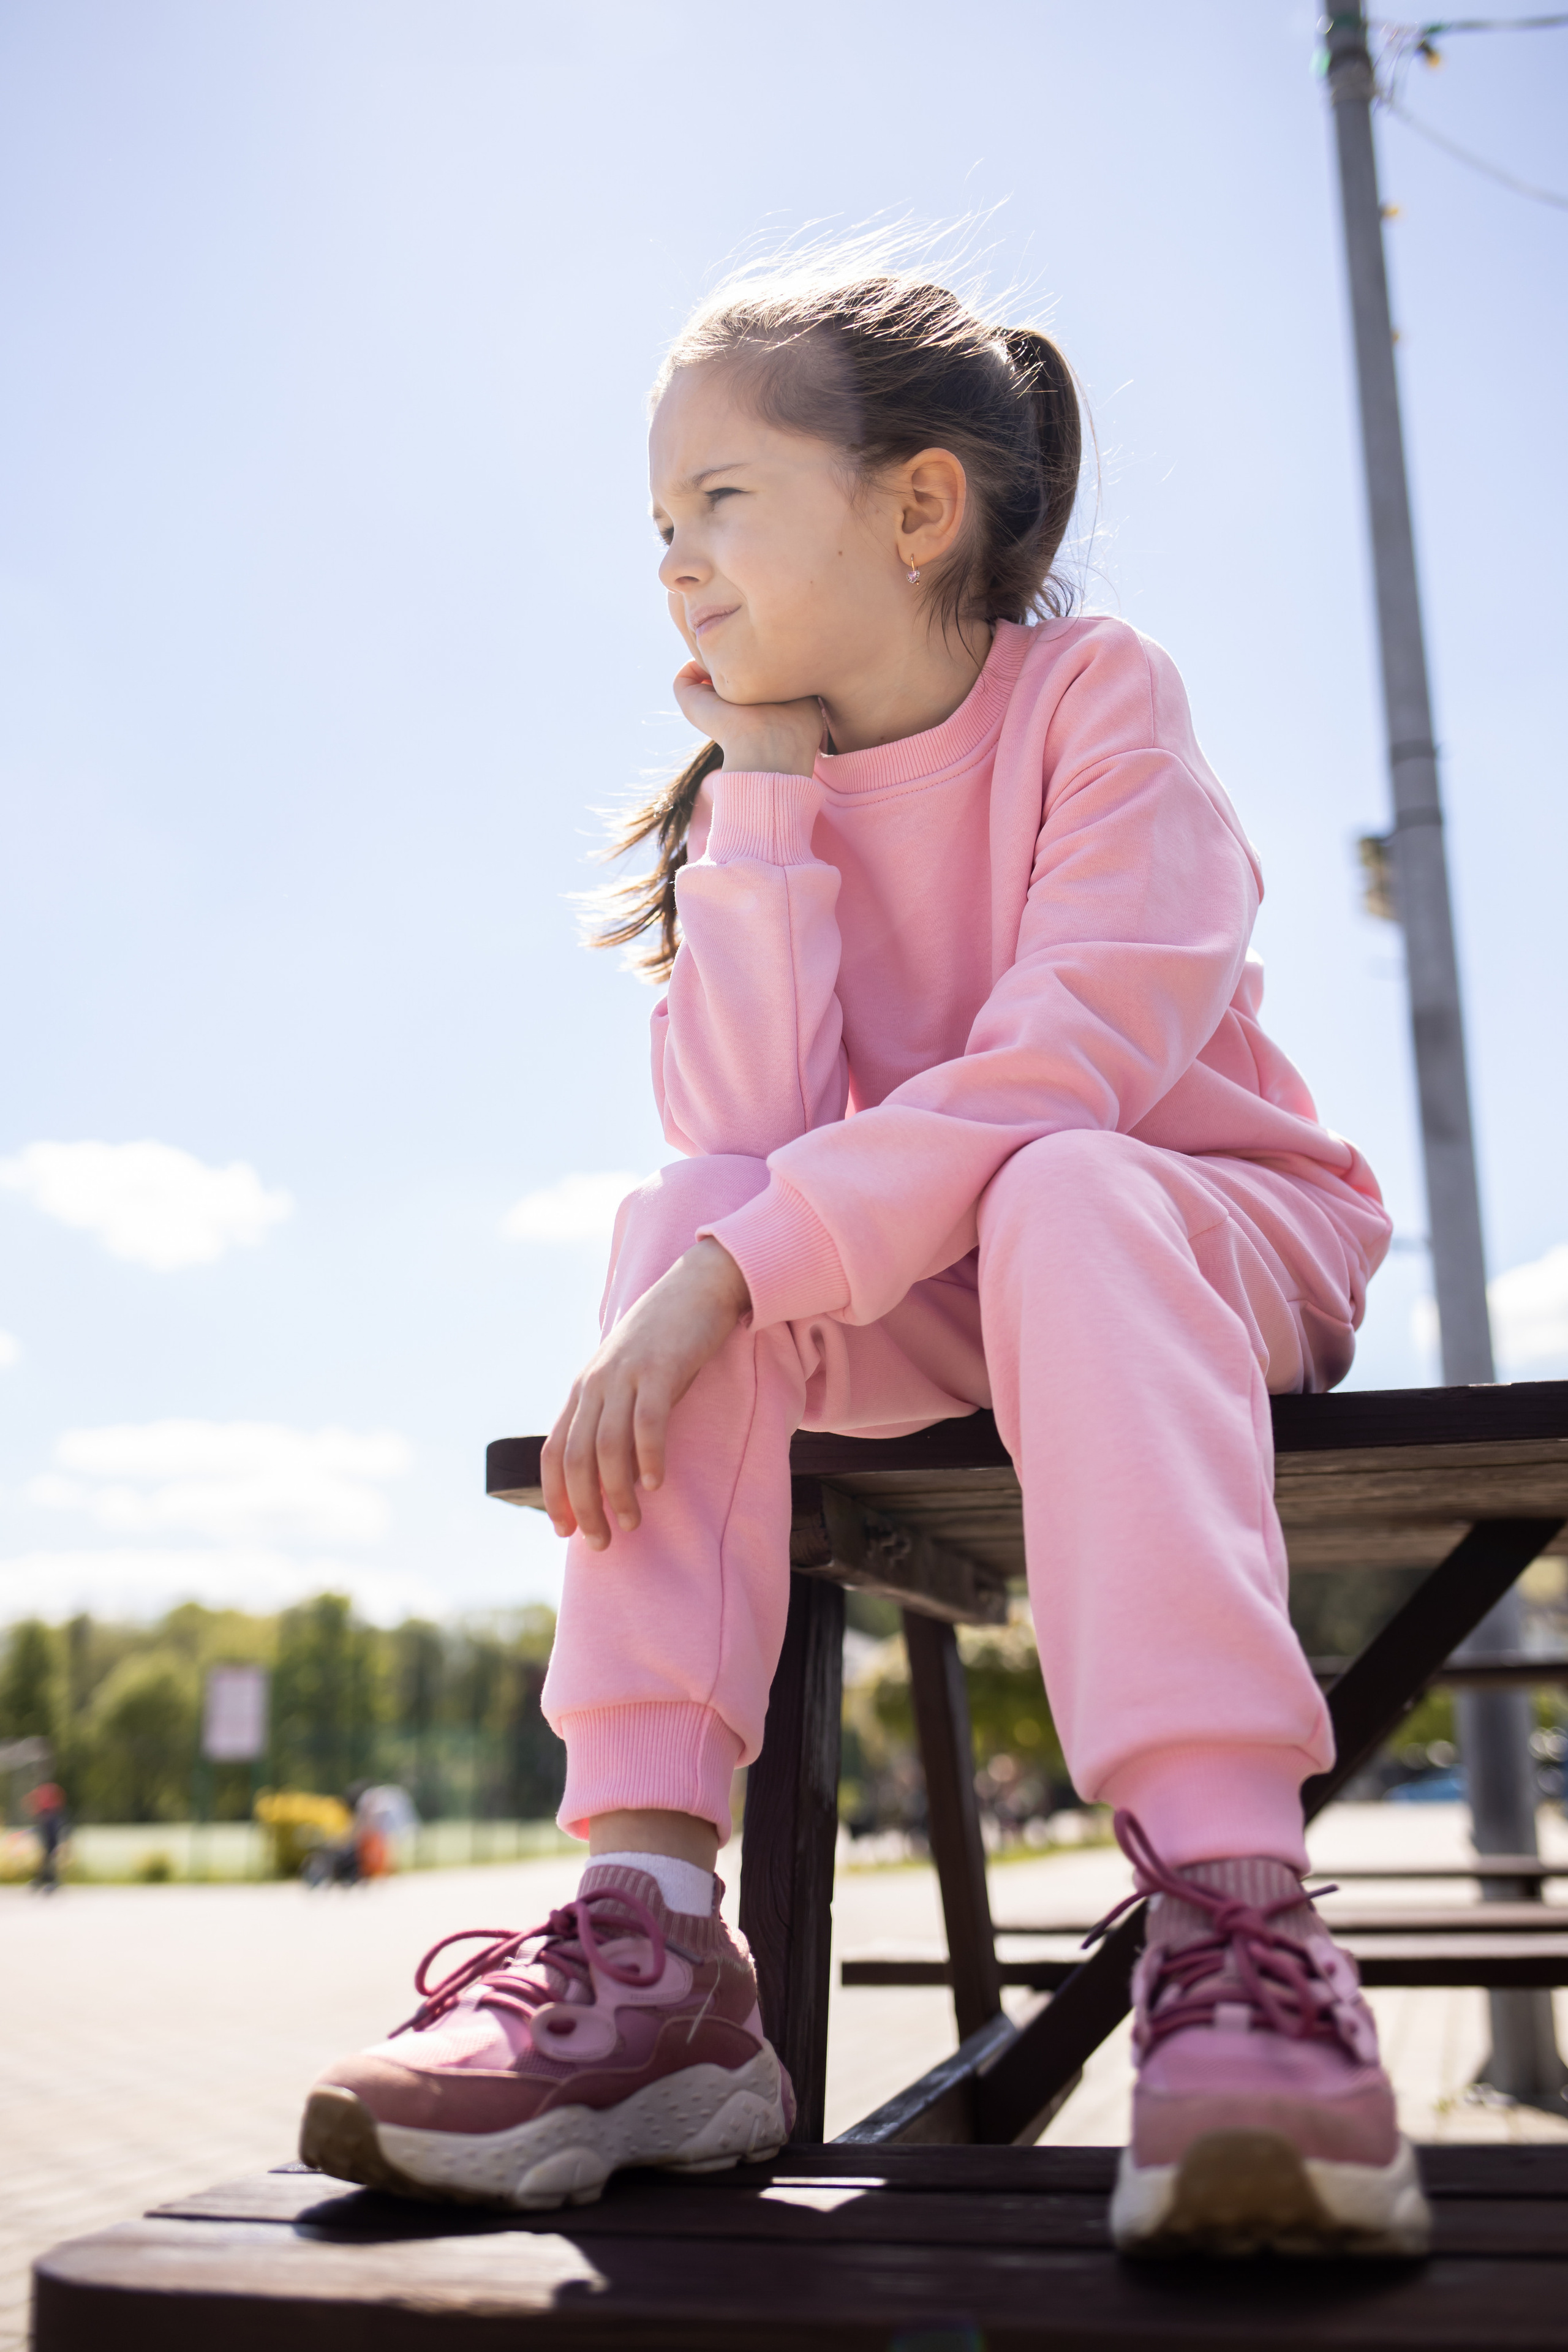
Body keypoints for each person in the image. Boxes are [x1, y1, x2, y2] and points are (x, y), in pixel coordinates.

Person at [301, 261, 1428, 2258]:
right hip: (932, 1289)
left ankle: (1238, 1939)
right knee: (680, 1215)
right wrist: (765, 795)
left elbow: (1064, 1070)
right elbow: (732, 1131)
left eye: (721, 502)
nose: (674, 562)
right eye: (657, 525)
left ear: (918, 511)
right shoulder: (773, 781)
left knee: (1054, 1184)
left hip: (1202, 1238)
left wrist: (738, 1272)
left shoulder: (1100, 701)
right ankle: (651, 1961)